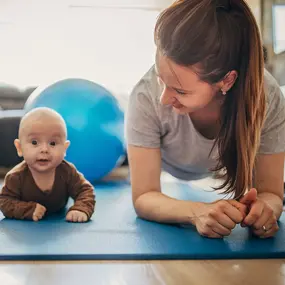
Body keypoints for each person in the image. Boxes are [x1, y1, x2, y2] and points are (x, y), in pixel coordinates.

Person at [125, 0, 285, 239]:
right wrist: (197, 212)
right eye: (161, 79)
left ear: (227, 81)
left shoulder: (266, 97)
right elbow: (143, 196)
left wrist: (265, 210)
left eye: (180, 91)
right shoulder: (144, 96)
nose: (163, 99)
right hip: (164, 158)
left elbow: (271, 193)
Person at [0, 107, 96, 222]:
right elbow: (4, 201)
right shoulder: (16, 177)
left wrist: (81, 208)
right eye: (34, 142)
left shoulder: (67, 171)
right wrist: (27, 209)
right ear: (19, 148)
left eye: (53, 143)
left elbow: (85, 191)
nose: (44, 149)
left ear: (65, 149)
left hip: (60, 229)